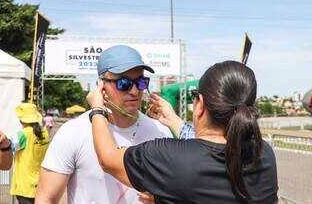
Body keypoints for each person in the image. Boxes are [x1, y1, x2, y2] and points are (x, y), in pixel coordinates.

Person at [87, 60, 279, 203]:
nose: (134, 91)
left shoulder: (167, 156)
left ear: (200, 104)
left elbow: (108, 158)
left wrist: (97, 109)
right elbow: (209, 151)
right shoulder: (264, 155)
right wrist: (173, 121)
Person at [35, 45, 173, 204]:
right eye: (124, 83)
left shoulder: (161, 132)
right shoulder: (73, 132)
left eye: (141, 82)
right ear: (101, 86)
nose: (135, 91)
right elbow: (45, 198)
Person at [10, 103, 50, 204]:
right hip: (42, 182)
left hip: (25, 185)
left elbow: (8, 148)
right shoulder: (45, 133)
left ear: (21, 119)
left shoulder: (22, 134)